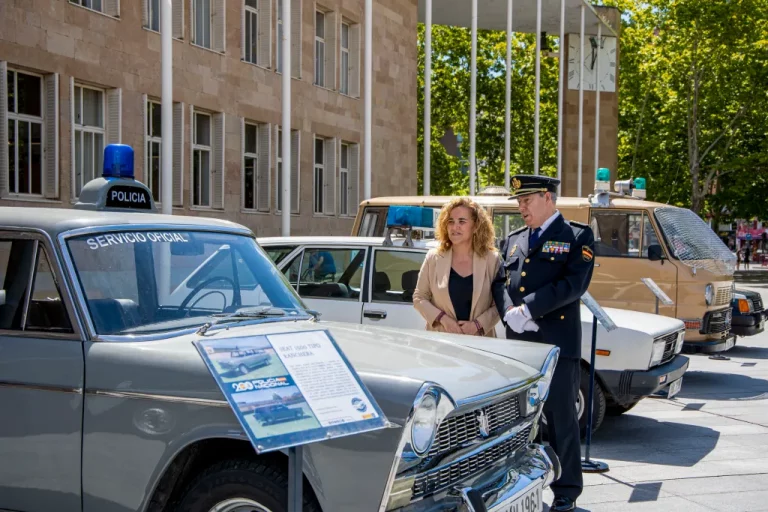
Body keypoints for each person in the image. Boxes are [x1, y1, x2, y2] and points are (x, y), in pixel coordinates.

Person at [491, 174, 596, 512]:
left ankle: (566, 490)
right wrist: (509, 311)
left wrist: (530, 307)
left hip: (556, 344)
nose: (521, 207)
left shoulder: (576, 236)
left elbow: (573, 284)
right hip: (520, 343)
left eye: (527, 200)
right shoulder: (515, 238)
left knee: (561, 419)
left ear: (549, 198)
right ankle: (522, 483)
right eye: (519, 202)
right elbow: (500, 281)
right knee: (522, 419)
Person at [413, 197, 501, 337]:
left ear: (476, 226)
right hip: (440, 342)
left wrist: (477, 325)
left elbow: (500, 304)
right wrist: (443, 319)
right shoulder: (433, 258)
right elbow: (419, 298)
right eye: (450, 222)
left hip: (481, 344)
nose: (455, 227)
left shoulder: (492, 260)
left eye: (462, 221)